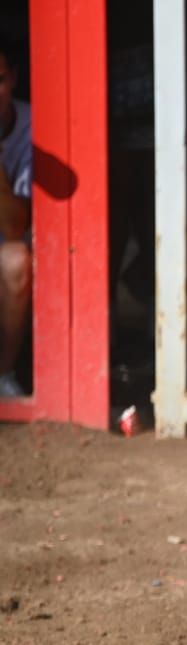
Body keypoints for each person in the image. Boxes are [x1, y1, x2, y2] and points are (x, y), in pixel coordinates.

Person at [0, 38, 30, 400]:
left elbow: (14, 226)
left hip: (10, 239)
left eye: (0, 79)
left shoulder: (32, 127)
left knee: (15, 263)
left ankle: (3, 374)